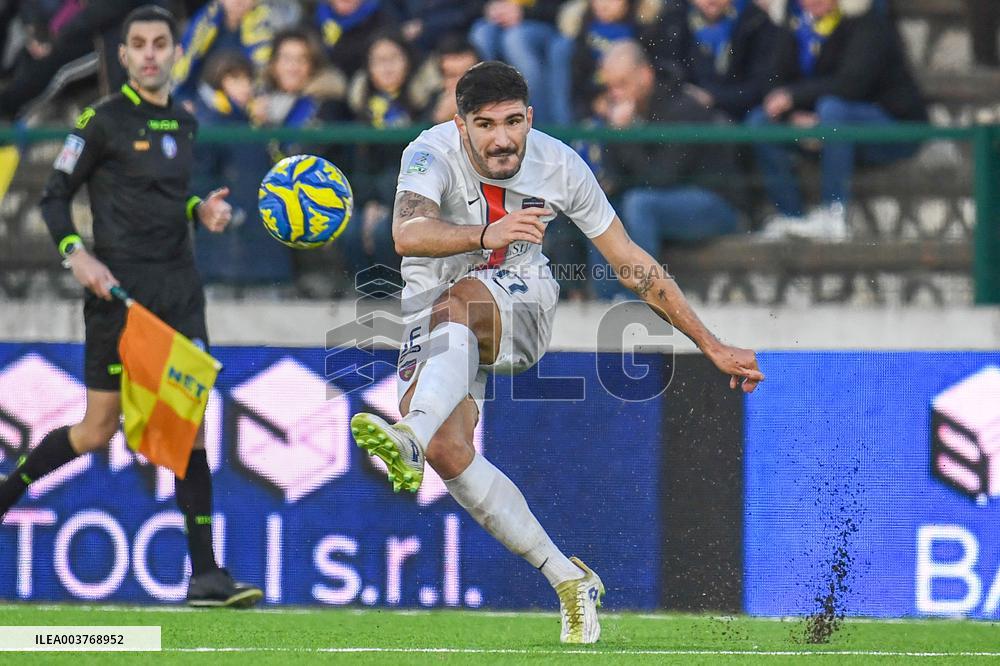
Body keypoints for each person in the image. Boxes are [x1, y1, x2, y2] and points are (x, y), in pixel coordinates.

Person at [349, 61, 763, 643]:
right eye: (486, 124)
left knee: (459, 308)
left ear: (531, 118)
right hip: (433, 310)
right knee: (450, 451)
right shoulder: (427, 152)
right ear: (461, 125)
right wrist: (483, 235)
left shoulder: (560, 162)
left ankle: (409, 436)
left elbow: (629, 260)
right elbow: (407, 233)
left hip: (521, 305)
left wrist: (710, 343)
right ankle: (567, 577)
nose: (502, 139)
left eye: (514, 122)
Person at [0, 5, 263, 608]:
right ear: (123, 56)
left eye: (159, 43)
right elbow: (53, 197)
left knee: (188, 429)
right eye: (138, 44)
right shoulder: (100, 121)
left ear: (176, 51)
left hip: (179, 293)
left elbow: (170, 196)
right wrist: (77, 255)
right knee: (96, 430)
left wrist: (202, 210)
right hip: (117, 295)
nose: (149, 53)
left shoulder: (187, 122)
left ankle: (206, 577)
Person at [747, 0, 927, 240]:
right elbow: (773, 80)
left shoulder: (867, 22)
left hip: (891, 127)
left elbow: (851, 85)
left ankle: (834, 214)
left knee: (832, 109)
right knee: (759, 122)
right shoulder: (794, 23)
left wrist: (795, 99)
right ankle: (791, 217)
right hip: (823, 126)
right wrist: (792, 116)